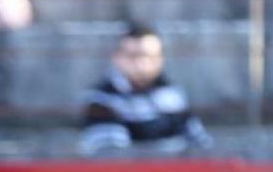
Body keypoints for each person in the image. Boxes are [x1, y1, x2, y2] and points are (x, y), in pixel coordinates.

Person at [79, 21, 213, 157]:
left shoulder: (171, 94)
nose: (143, 64)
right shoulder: (102, 99)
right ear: (117, 58)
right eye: (133, 56)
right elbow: (113, 159)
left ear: (161, 59)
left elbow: (201, 146)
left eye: (151, 56)